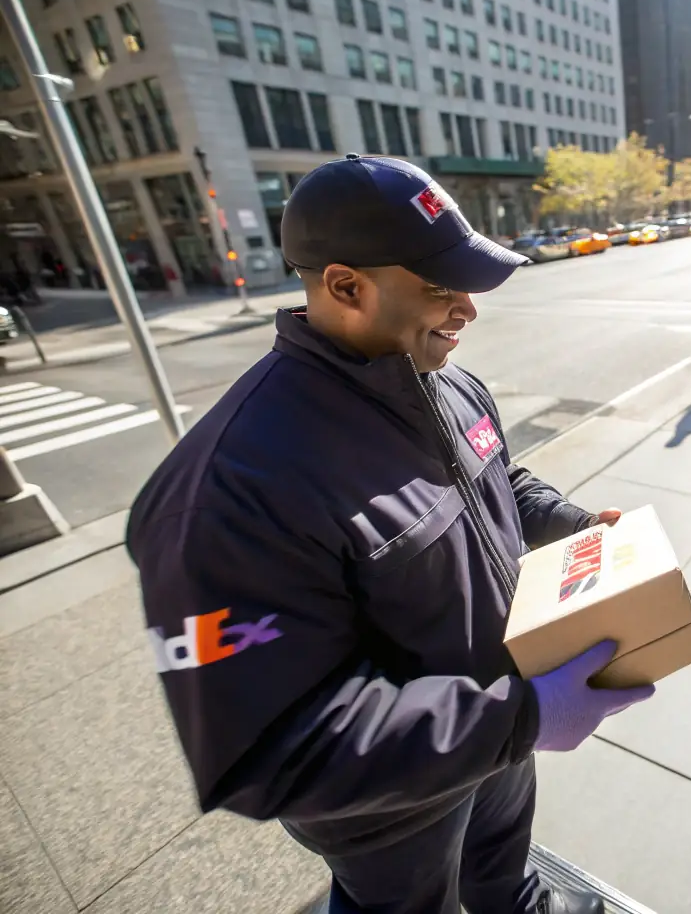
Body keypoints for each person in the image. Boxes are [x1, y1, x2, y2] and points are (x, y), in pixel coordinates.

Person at [126, 155, 655, 914]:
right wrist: (521, 715)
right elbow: (271, 753)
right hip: (391, 813)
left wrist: (573, 524)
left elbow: (498, 481)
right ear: (345, 286)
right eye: (440, 285)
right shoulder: (226, 493)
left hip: (500, 730)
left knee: (505, 872)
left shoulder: (447, 383)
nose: (467, 309)